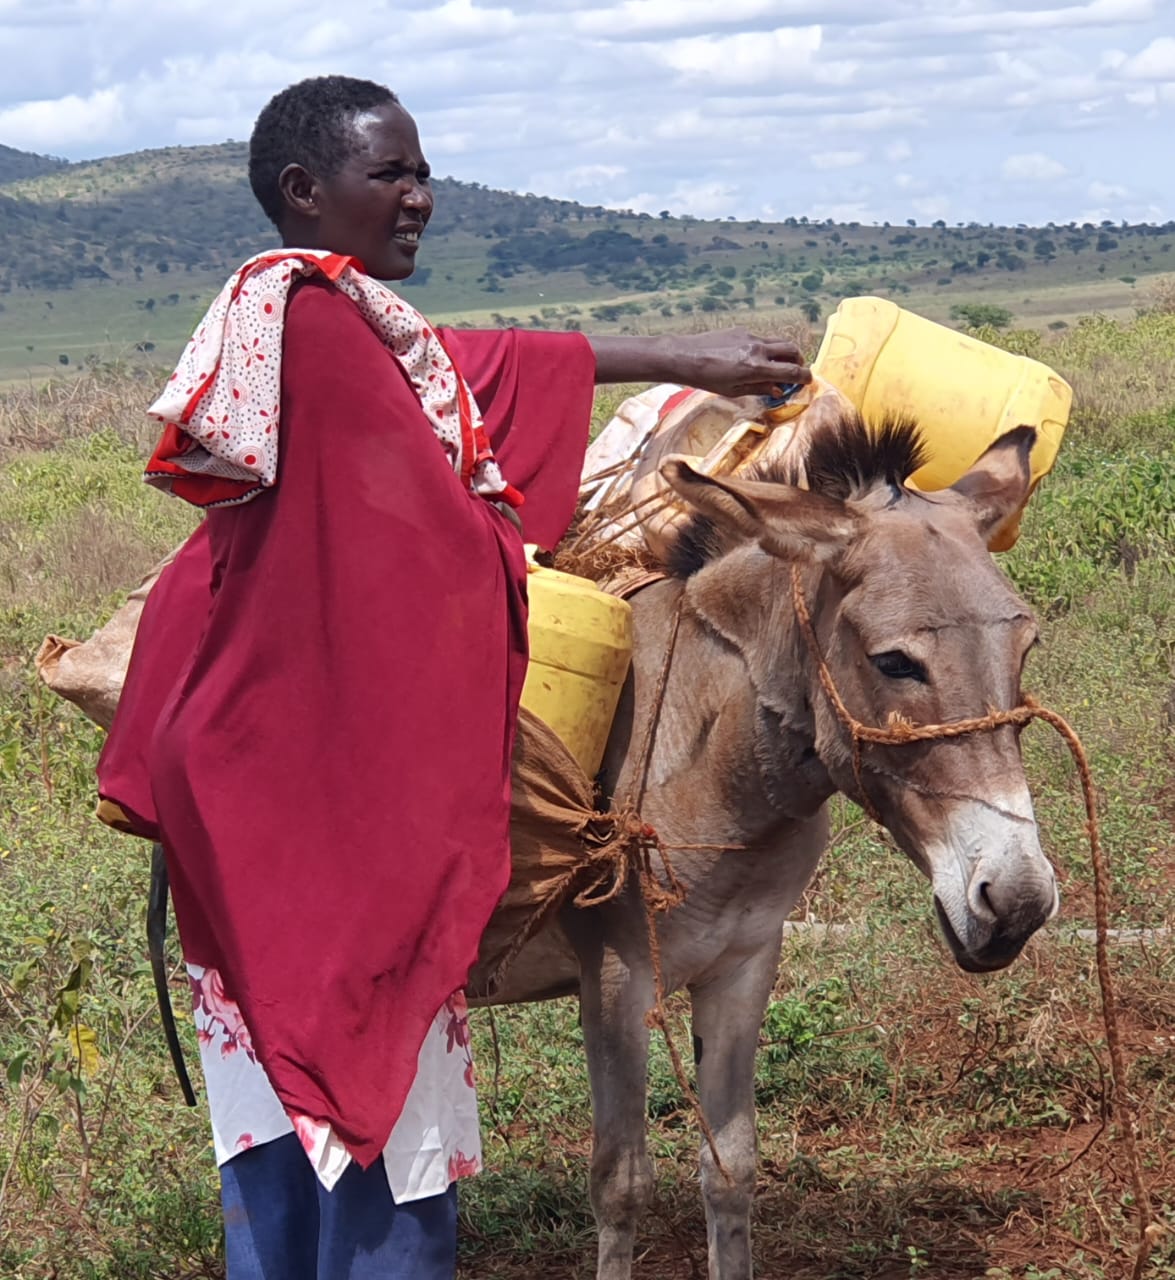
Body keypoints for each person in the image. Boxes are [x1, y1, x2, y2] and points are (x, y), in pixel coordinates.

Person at [97, 74, 809, 1279]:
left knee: (274, 1128)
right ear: (302, 190)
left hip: (244, 779)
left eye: (422, 172)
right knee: (373, 1115)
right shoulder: (317, 329)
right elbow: (423, 548)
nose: (420, 196)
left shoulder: (316, 318)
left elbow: (464, 361)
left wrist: (680, 357)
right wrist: (517, 541)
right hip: (320, 801)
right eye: (393, 175)